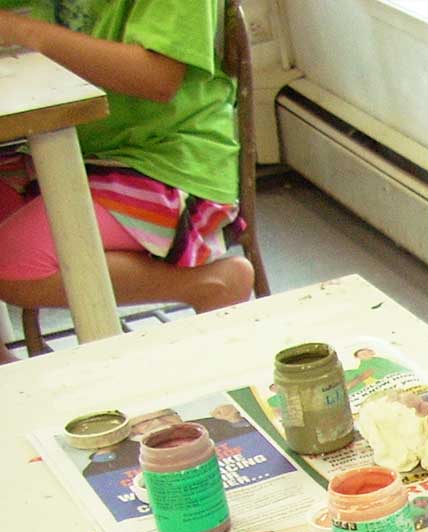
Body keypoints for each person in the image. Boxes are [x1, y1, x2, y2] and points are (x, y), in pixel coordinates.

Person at [0, 1, 254, 364]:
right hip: (68, 147)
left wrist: (24, 31)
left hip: (167, 166)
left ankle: (209, 282)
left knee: (9, 266)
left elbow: (156, 78)